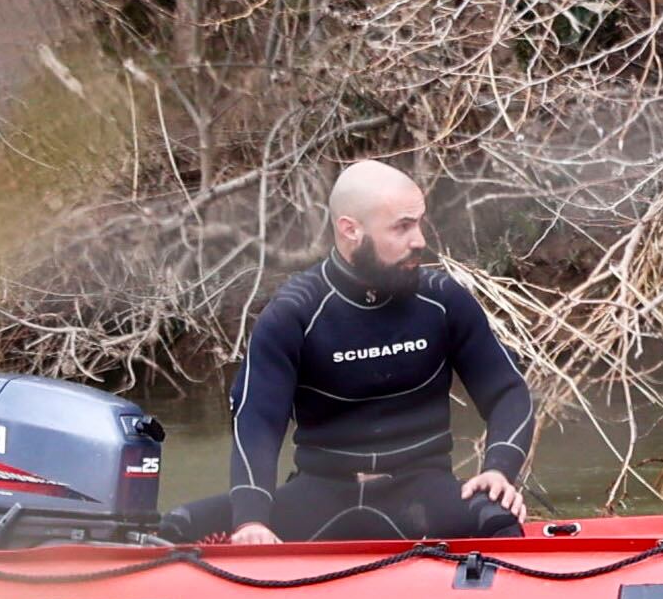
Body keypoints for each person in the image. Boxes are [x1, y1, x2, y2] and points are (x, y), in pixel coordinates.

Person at [172, 160, 536, 543]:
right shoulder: (295, 313)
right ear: (350, 229)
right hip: (321, 496)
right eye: (402, 226)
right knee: (176, 525)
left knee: (499, 521)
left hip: (423, 495)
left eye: (419, 222)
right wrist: (251, 522)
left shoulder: (442, 300)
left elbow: (508, 392)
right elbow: (256, 423)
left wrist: (499, 470)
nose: (419, 240)